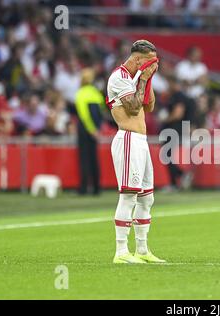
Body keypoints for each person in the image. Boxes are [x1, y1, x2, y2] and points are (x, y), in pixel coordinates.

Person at [106, 39, 165, 264]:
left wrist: (147, 79)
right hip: (128, 138)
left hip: (141, 140)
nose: (153, 65)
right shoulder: (118, 77)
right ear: (138, 59)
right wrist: (143, 77)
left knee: (147, 198)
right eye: (150, 62)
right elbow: (132, 107)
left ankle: (142, 249)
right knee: (129, 195)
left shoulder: (136, 78)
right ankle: (121, 252)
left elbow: (149, 106)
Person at [161, 74, 196, 191]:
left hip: (173, 129)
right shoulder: (180, 96)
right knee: (168, 156)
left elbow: (178, 114)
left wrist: (165, 120)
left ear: (172, 83)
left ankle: (178, 178)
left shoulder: (177, 96)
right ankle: (178, 179)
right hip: (177, 129)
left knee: (166, 155)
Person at [74, 68, 104, 196]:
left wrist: (91, 129)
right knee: (94, 158)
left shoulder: (80, 93)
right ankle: (97, 188)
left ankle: (84, 188)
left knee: (84, 159)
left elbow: (84, 114)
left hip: (85, 129)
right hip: (96, 129)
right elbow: (101, 111)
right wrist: (97, 129)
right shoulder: (96, 93)